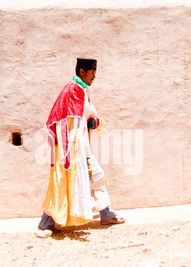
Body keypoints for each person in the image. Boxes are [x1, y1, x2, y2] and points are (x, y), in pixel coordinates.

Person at [35, 58, 125, 238]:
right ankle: (45, 222)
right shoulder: (73, 89)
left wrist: (93, 122)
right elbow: (70, 124)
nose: (95, 77)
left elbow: (84, 117)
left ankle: (106, 213)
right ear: (82, 72)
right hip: (73, 149)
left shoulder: (81, 89)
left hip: (81, 146)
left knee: (94, 176)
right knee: (65, 182)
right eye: (92, 73)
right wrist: (76, 152)